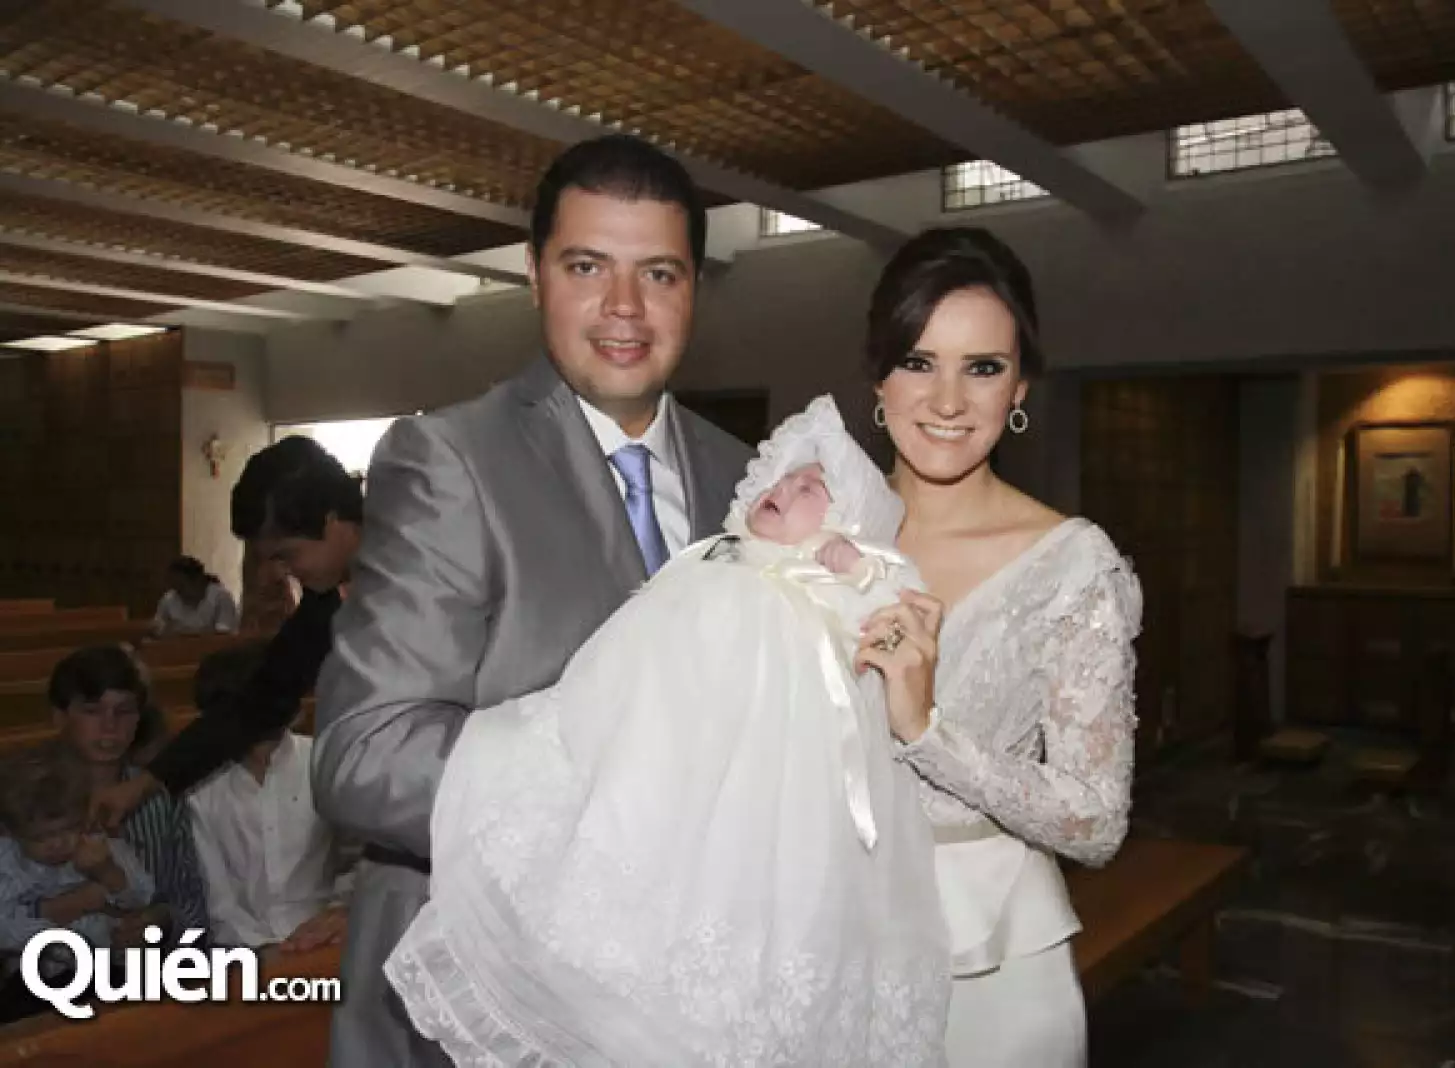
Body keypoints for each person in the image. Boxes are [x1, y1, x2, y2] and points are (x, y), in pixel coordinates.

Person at [312, 133, 753, 1066]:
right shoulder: (450, 458)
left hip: (682, 996)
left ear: (694, 290)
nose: (624, 308)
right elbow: (363, 757)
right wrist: (615, 778)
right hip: (479, 1000)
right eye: (588, 265)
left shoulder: (749, 479)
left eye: (660, 274)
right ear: (536, 273)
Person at [385, 396, 947, 1067]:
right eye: (786, 477)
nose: (786, 489)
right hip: (648, 741)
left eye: (812, 490)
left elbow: (881, 602)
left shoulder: (817, 585)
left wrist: (852, 568)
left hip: (752, 778)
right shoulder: (714, 560)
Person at [853, 227, 1142, 1067]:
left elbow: (1095, 820)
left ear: (1019, 384)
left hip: (989, 965)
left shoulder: (1071, 564)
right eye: (918, 361)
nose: (947, 400)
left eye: (981, 367)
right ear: (879, 375)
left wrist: (925, 731)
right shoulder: (821, 535)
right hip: (825, 940)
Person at [86, 435, 363, 855]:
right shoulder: (326, 602)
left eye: (286, 556)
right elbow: (260, 700)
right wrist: (146, 782)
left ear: (331, 522)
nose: (275, 576)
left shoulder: (431, 567)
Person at [184, 643, 355, 951]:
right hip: (240, 950)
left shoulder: (325, 761)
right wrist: (263, 951)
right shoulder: (198, 786)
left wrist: (337, 917)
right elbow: (218, 902)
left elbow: (361, 862)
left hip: (331, 937)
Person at [46, 646, 210, 947]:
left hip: (144, 971)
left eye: (124, 711)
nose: (110, 726)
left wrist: (162, 920)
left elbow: (193, 905)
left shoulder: (160, 798)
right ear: (59, 717)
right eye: (91, 710)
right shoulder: (25, 795)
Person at [0, 752, 155, 1023]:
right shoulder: (7, 863)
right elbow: (5, 927)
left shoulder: (99, 843)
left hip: (111, 966)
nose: (57, 843)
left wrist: (107, 872)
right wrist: (61, 918)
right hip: (38, 974)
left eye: (67, 829)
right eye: (41, 837)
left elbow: (142, 896)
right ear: (11, 833)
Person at [149, 556, 239, 638]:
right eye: (175, 587)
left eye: (182, 586)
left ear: (199, 581)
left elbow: (223, 634)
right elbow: (157, 630)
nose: (178, 592)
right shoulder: (168, 600)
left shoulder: (220, 598)